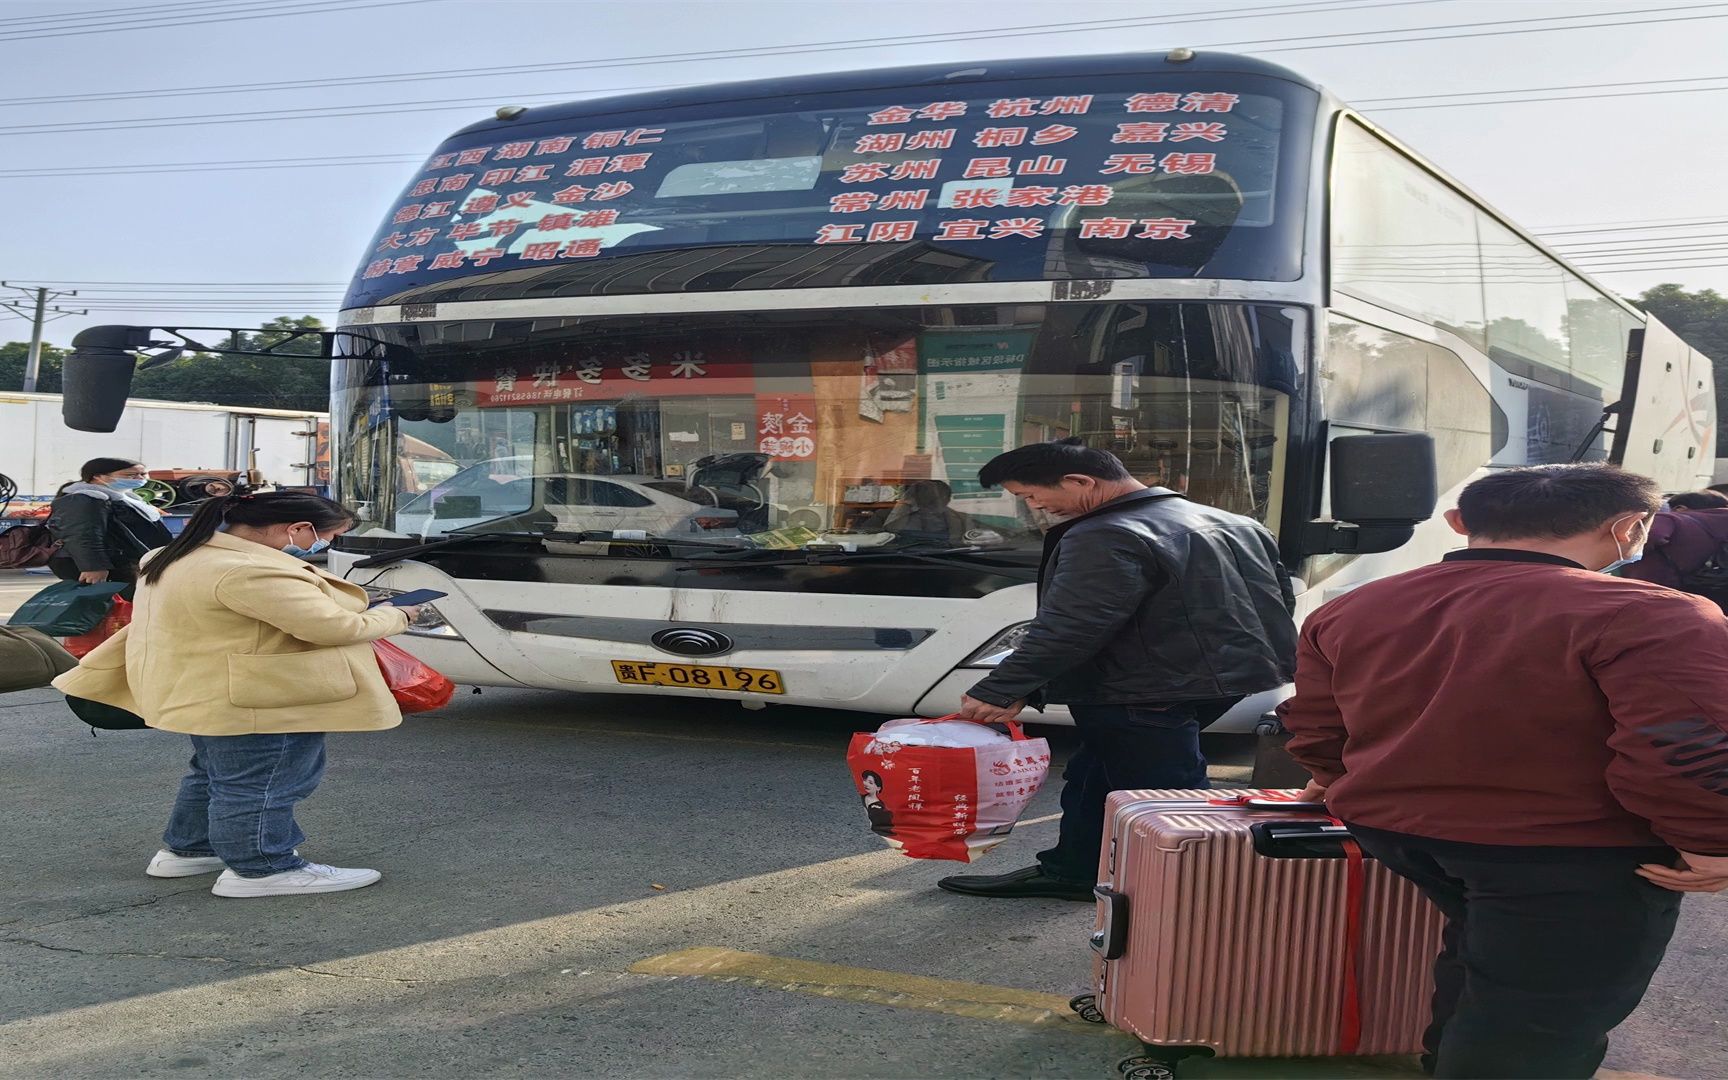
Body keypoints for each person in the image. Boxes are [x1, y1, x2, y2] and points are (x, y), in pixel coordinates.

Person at [1278, 463, 1728, 1079]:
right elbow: (1687, 742)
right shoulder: (1655, 614)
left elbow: (1315, 720)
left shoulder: (1354, 606)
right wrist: (1710, 841)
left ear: (1460, 523)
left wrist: (1330, 776)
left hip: (1399, 831)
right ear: (1628, 530)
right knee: (1542, 1012)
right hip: (1566, 849)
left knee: (1479, 962)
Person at [936, 438, 1297, 901]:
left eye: (1030, 494)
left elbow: (1073, 624)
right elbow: (1277, 602)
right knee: (1096, 774)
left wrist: (1002, 687)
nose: (1035, 506)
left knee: (1167, 796)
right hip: (1222, 678)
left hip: (1142, 687)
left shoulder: (1105, 533)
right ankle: (1073, 871)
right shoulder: (1234, 522)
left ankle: (1204, 895)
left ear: (1080, 482)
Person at [53, 491, 427, 899]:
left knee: (215, 776)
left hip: (201, 688)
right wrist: (397, 614)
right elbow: (335, 629)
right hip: (260, 697)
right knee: (265, 780)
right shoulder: (249, 570)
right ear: (298, 529)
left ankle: (190, 849)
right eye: (330, 536)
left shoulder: (176, 556)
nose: (327, 546)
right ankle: (262, 867)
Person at [46, 457, 173, 587]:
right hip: (109, 565)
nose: (139, 478)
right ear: (98, 476)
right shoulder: (86, 498)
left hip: (126, 562)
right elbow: (82, 535)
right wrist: (93, 567)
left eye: (142, 474)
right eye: (130, 475)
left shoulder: (126, 498)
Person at [1621, 489, 1728, 613]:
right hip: (1719, 601)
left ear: (1680, 508)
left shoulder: (1673, 519)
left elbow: (1653, 535)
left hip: (1660, 595)